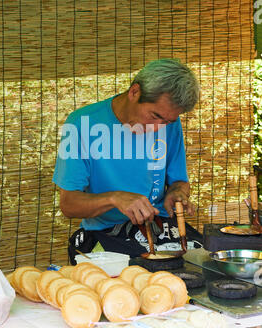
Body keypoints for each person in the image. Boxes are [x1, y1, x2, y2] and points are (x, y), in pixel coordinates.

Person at [52, 59, 201, 263]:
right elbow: (69, 205)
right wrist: (114, 198)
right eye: (154, 116)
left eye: (166, 121)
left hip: (161, 229)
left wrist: (177, 193)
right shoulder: (82, 124)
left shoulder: (169, 124)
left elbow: (179, 182)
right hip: (106, 234)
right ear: (134, 92)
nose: (158, 128)